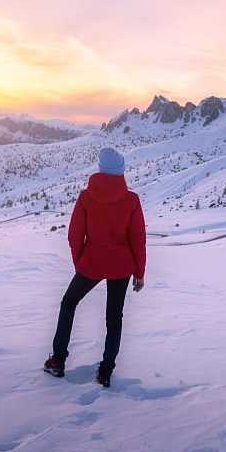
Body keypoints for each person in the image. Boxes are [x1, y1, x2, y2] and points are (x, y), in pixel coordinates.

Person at [44, 147, 146, 388]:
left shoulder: (86, 197)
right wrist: (139, 273)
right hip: (121, 266)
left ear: (99, 169)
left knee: (69, 303)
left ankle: (58, 360)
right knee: (114, 318)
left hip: (91, 263)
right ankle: (105, 372)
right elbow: (138, 238)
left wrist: (80, 261)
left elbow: (75, 234)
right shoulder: (131, 199)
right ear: (121, 171)